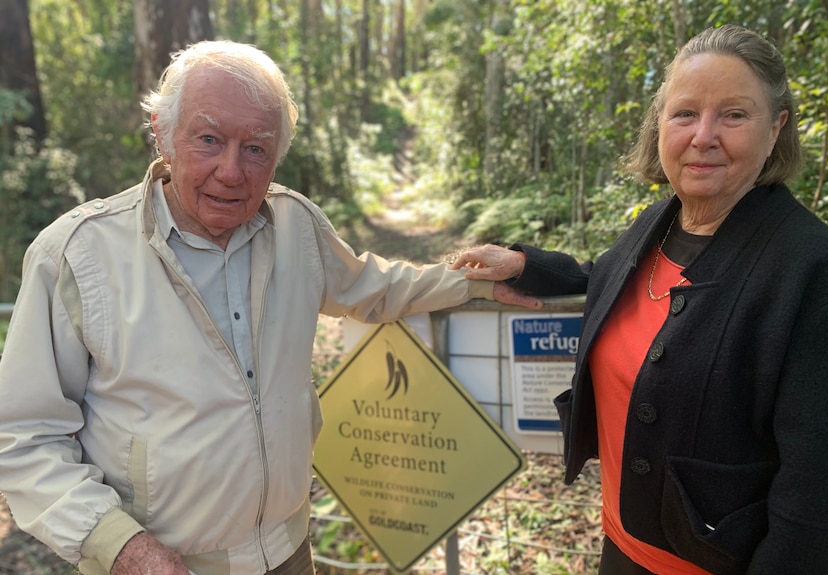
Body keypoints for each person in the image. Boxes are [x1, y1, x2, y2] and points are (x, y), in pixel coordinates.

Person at [0, 41, 538, 575]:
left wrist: (475, 285)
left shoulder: (295, 227)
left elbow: (372, 287)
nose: (232, 172)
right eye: (208, 139)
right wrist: (121, 547)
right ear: (162, 133)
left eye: (256, 148)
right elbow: (23, 437)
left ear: (277, 153)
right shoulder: (77, 254)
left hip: (287, 555)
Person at [452, 24, 828, 575]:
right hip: (619, 544)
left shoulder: (820, 277)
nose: (704, 135)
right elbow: (607, 278)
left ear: (776, 127)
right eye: (685, 113)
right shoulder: (657, 223)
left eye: (734, 115)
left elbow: (821, 505)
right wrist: (528, 266)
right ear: (660, 124)